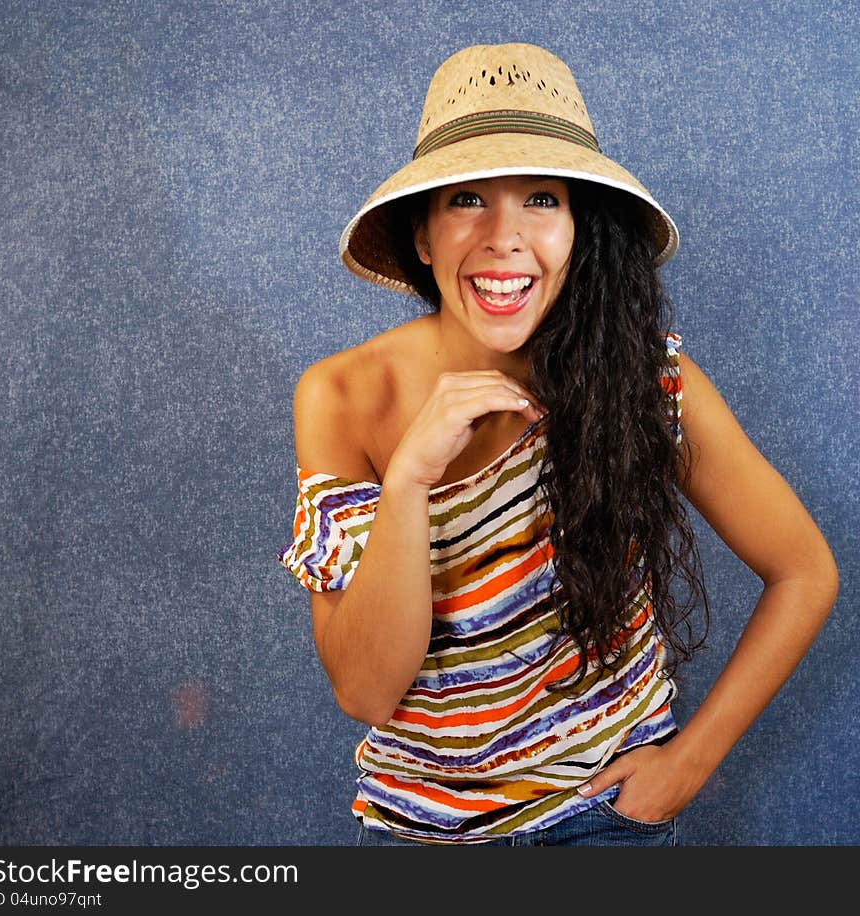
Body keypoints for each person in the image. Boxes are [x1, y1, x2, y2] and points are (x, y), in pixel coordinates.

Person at [277, 42, 838, 846]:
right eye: (467, 199)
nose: (505, 238)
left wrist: (685, 768)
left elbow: (805, 571)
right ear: (424, 237)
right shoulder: (341, 398)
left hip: (603, 825)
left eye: (541, 199)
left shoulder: (645, 379)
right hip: (416, 836)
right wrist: (408, 483)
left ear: (581, 231)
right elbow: (367, 691)